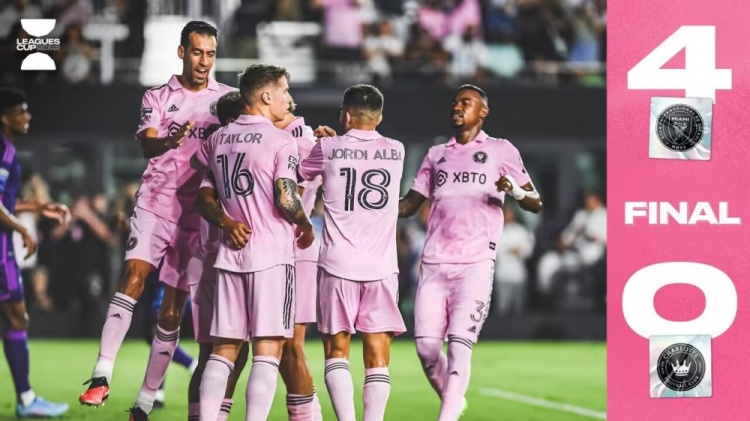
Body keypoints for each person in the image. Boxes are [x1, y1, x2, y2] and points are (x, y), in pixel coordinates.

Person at [77, 21, 234, 421]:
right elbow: (147, 143)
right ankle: (101, 375)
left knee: (171, 312)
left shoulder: (226, 100)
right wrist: (169, 140)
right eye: (197, 52)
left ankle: (144, 404)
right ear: (182, 52)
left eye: (210, 54)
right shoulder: (158, 96)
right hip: (156, 203)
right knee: (133, 276)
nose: (204, 61)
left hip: (197, 216)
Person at [397, 84, 542, 421]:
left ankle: (446, 416)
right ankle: (454, 400)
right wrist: (368, 201)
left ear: (483, 112)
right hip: (434, 263)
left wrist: (516, 191)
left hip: (475, 264)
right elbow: (408, 206)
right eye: (454, 102)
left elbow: (535, 203)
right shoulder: (436, 154)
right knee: (426, 348)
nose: (457, 107)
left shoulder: (501, 150)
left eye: (466, 102)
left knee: (460, 345)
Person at [192, 63, 314, 420]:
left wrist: (227, 222)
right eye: (284, 91)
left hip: (230, 257)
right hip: (272, 257)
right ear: (266, 95)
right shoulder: (281, 140)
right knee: (267, 350)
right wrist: (304, 223)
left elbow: (204, 198)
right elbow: (286, 196)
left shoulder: (218, 139)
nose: (288, 98)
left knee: (223, 352)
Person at [297, 84, 406, 421]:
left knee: (337, 351)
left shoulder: (328, 148)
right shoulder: (397, 150)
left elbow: (300, 175)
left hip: (338, 265)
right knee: (378, 355)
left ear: (345, 115)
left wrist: (322, 143)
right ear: (379, 117)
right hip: (382, 267)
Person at [0, 87, 71, 418]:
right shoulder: (2, 149)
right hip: (2, 251)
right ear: (5, 117)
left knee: (17, 317)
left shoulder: (8, 150)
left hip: (5, 249)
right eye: (22, 111)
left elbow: (7, 201)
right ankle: (26, 401)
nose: (27, 116)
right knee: (17, 317)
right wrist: (22, 228)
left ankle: (26, 399)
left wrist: (40, 207)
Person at [187, 90, 250, 421]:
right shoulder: (226, 149)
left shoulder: (214, 149)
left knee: (219, 352)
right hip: (220, 261)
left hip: (211, 260)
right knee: (223, 351)